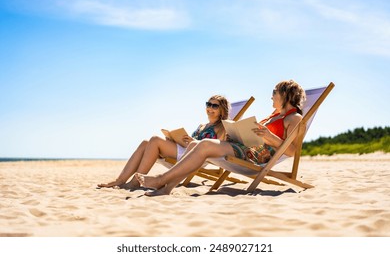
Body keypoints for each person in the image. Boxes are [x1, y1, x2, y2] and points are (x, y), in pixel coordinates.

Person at [135, 80, 306, 196]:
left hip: (256, 155)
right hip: (245, 145)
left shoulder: (295, 118)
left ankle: (160, 180)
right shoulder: (273, 116)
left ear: (285, 95)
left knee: (204, 144)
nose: (271, 96)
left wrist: (269, 136)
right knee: (196, 144)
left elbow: (291, 151)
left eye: (274, 92)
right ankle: (167, 188)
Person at [97, 95, 230, 190]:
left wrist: (194, 142)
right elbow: (192, 141)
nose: (210, 108)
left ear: (221, 110)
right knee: (145, 143)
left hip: (195, 155)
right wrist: (176, 139)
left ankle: (135, 182)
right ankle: (120, 180)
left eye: (214, 106)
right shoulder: (202, 125)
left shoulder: (222, 127)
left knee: (154, 140)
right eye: (208, 104)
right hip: (185, 149)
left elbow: (215, 146)